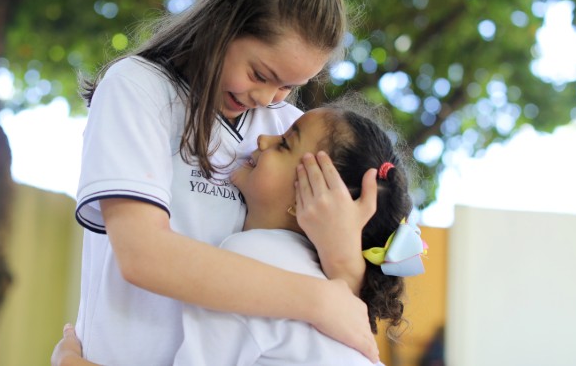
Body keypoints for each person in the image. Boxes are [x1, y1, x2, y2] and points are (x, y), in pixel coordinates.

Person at [71, 0, 380, 365]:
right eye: (260, 73)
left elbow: (339, 309)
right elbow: (143, 256)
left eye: (290, 87)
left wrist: (344, 264)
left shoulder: (292, 131)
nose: (269, 98)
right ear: (225, 24)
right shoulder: (138, 89)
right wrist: (318, 300)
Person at [53, 97, 427, 365]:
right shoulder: (311, 270)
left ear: (312, 199)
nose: (263, 140)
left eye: (284, 145)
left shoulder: (257, 258)